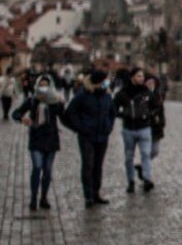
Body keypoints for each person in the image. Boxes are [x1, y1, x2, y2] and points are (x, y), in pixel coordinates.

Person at [62, 70, 115, 207]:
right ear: (98, 82)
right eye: (105, 81)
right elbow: (69, 114)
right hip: (87, 136)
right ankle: (88, 196)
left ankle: (96, 193)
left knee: (98, 166)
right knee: (88, 165)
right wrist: (80, 127)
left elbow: (112, 113)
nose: (107, 83)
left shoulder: (107, 96)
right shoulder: (83, 96)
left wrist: (109, 127)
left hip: (102, 136)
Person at [12, 75, 65, 210]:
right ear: (37, 86)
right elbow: (16, 113)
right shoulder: (32, 101)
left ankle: (44, 198)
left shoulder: (54, 102)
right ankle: (33, 198)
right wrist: (22, 118)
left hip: (51, 139)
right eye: (41, 84)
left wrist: (61, 102)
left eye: (46, 84)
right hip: (36, 138)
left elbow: (63, 115)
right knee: (37, 167)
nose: (43, 87)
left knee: (47, 170)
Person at [113, 67, 156, 193]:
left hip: (144, 127)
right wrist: (122, 115)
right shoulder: (123, 93)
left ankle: (147, 179)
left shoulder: (147, 93)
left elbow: (155, 106)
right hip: (129, 128)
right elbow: (114, 108)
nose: (142, 78)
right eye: (139, 76)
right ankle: (130, 181)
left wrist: (149, 114)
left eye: (142, 76)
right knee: (129, 156)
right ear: (132, 78)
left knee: (146, 154)